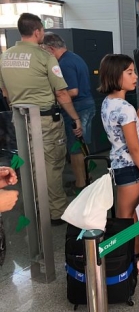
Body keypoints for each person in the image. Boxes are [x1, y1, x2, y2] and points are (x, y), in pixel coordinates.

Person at [0, 13, 82, 226]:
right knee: (52, 165)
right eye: (43, 31)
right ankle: (56, 212)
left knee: (28, 165)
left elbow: (5, 92)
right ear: (37, 31)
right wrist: (75, 118)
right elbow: (62, 94)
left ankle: (36, 207)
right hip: (45, 121)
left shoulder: (5, 57)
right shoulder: (45, 57)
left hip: (18, 121)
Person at [98, 54, 139, 273]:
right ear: (115, 75)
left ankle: (137, 248)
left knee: (130, 214)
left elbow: (128, 133)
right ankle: (128, 265)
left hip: (119, 166)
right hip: (130, 169)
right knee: (124, 219)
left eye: (134, 71)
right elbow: (134, 147)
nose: (135, 77)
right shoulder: (124, 108)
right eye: (129, 72)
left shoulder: (109, 103)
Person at [42, 32, 96, 193]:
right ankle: (86, 178)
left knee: (75, 148)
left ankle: (80, 184)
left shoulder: (64, 64)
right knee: (81, 145)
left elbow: (71, 91)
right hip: (86, 105)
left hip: (78, 108)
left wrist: (51, 95)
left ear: (50, 49)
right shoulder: (75, 57)